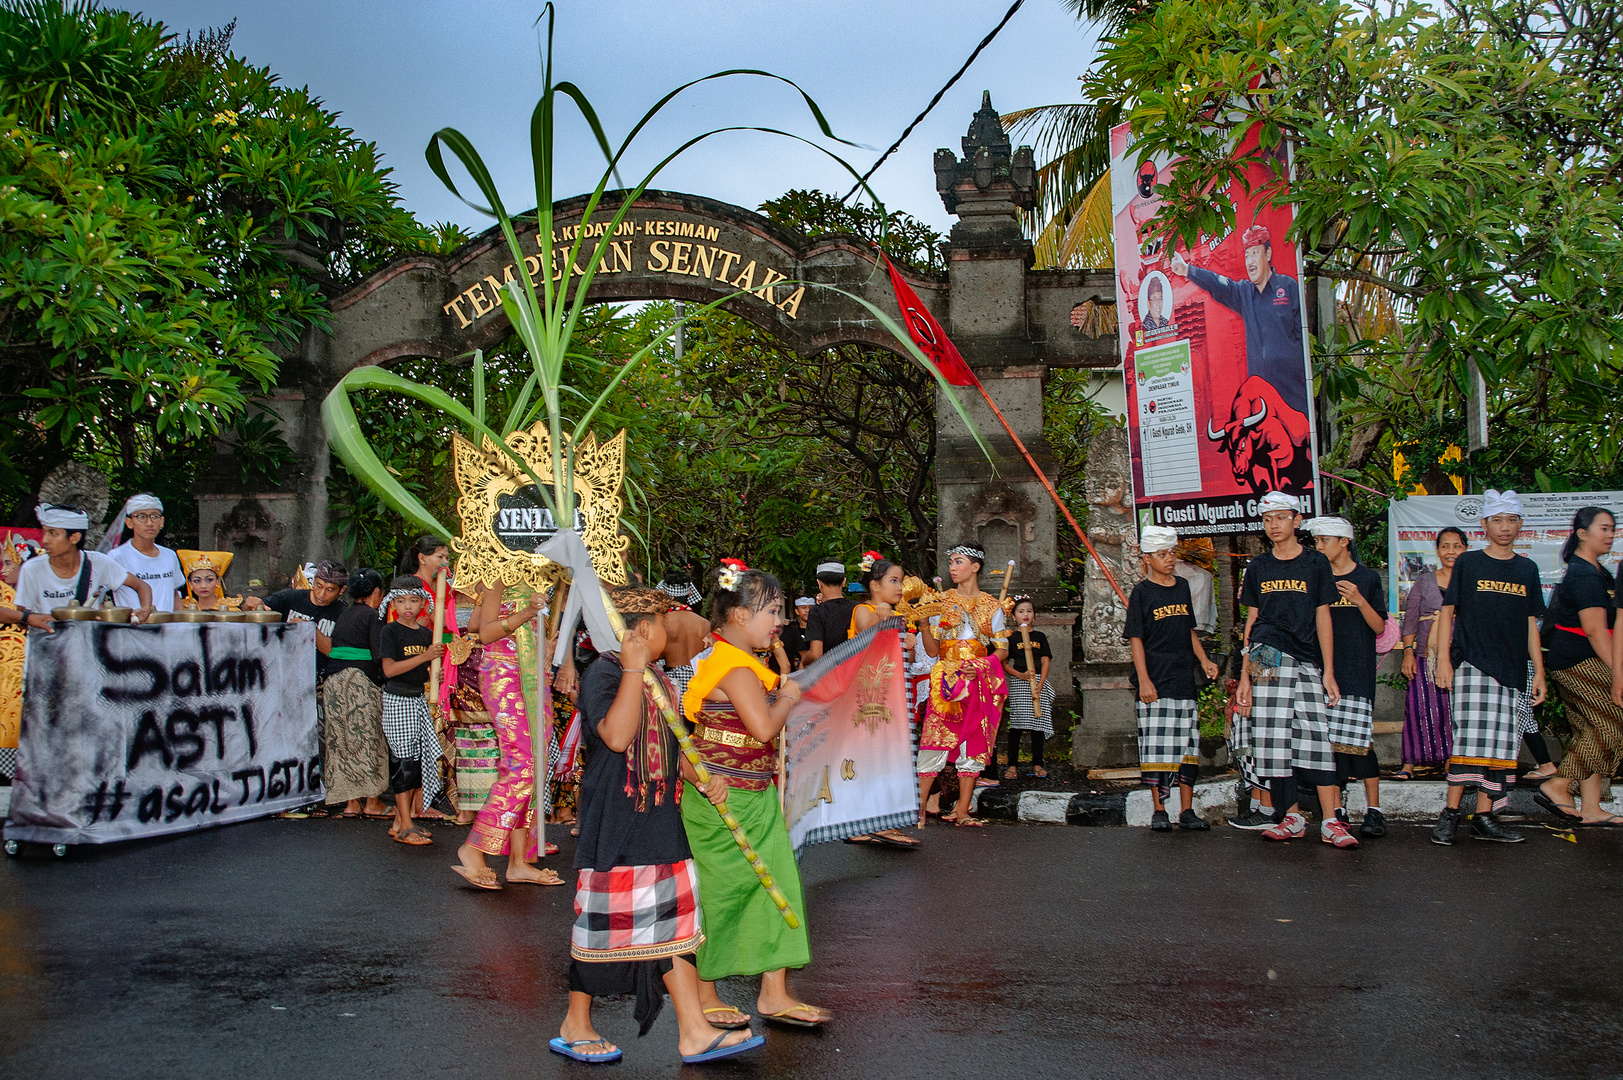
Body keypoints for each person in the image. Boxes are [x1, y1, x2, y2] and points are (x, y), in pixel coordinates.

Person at [553, 584, 763, 1066]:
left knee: (672, 922)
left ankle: (693, 1030)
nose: (671, 631)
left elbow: (672, 745)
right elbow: (619, 734)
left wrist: (704, 778)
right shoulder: (605, 673)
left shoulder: (660, 677)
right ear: (642, 630)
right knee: (603, 924)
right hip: (618, 821)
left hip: (661, 816)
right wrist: (630, 669)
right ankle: (575, 1022)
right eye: (663, 622)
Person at [680, 563, 828, 1030]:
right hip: (721, 800)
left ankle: (774, 993)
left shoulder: (738, 661)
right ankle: (705, 994)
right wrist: (790, 694)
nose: (780, 620)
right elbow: (764, 728)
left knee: (776, 886)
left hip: (754, 794)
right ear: (740, 617)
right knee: (722, 894)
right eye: (773, 610)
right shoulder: (734, 666)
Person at [1231, 491, 1353, 847]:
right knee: (1272, 740)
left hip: (1306, 658)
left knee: (1315, 736)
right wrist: (1244, 677)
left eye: (1281, 518)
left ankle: (1332, 821)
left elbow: (1323, 615)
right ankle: (1292, 817)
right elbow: (1251, 622)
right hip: (1266, 654)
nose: (1274, 525)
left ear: (1297, 521)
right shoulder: (1258, 567)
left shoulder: (1315, 563)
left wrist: (1328, 670)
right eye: (1268, 519)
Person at [1431, 490, 1545, 845]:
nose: (1505, 527)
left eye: (1511, 520)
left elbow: (1530, 623)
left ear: (1520, 525)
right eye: (1497, 520)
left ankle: (1483, 816)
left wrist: (1538, 671)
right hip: (1472, 664)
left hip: (1512, 668)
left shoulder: (1527, 568)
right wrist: (1444, 660)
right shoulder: (1469, 563)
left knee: (1500, 746)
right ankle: (1450, 814)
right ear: (1484, 525)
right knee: (1468, 740)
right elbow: (1448, 612)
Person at [454, 578, 564, 887]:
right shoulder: (501, 573)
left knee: (536, 764)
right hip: (505, 671)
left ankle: (519, 861)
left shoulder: (542, 573)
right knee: (523, 766)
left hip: (533, 669)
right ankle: (472, 847)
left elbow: (475, 621)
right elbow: (486, 633)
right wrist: (526, 613)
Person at [1126, 526, 1219, 831]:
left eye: (1172, 553)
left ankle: (1187, 810)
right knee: (1156, 745)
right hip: (1155, 676)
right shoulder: (1141, 593)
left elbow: (1187, 628)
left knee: (1186, 743)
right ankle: (1159, 809)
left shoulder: (1181, 587)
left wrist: (1204, 659)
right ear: (1148, 558)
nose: (1169, 559)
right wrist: (1144, 681)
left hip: (1182, 676)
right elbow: (1136, 638)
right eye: (1162, 554)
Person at [1536, 508, 1623, 825]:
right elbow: (1595, 630)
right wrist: (1618, 673)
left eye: (1613, 529)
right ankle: (1558, 784)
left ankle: (1589, 808)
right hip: (1579, 660)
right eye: (1604, 528)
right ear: (1582, 533)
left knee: (1590, 729)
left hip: (1580, 658)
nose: (1610, 534)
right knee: (1612, 725)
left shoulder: (1598, 572)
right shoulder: (1584, 575)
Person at [1169, 223, 1308, 416]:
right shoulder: (1244, 293)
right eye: (1247, 254)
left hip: (1293, 391)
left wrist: (1293, 363)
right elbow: (1218, 284)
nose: (1250, 260)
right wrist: (1187, 270)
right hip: (1263, 397)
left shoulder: (1288, 286)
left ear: (1267, 254)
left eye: (1255, 253)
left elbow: (1303, 333)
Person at [1308, 516, 1389, 839]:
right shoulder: (1316, 577)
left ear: (1343, 542)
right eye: (1316, 541)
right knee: (1330, 746)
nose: (1318, 546)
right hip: (1323, 671)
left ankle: (1374, 809)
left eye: (1324, 540)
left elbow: (1380, 627)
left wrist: (1358, 599)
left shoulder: (1367, 578)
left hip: (1356, 670)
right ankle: (1337, 809)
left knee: (1360, 744)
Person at [917, 544, 1010, 827]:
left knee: (974, 741)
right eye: (951, 562)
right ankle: (918, 810)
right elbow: (933, 651)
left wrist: (981, 666)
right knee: (935, 741)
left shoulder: (992, 605)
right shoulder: (940, 601)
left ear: (975, 566)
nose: (952, 567)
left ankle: (962, 811)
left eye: (959, 562)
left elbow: (1002, 650)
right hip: (946, 680)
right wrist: (923, 624)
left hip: (978, 680)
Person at [843, 554, 921, 850]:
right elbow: (866, 631)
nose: (900, 586)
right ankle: (856, 823)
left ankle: (884, 823)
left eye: (900, 580)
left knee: (888, 759)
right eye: (893, 580)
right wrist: (883, 614)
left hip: (889, 693)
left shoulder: (897, 615)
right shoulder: (864, 609)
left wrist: (910, 642)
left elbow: (906, 657)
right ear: (874, 585)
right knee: (867, 759)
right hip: (866, 694)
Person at [378, 576, 446, 846]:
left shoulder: (426, 634)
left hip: (418, 699)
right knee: (403, 764)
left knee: (416, 763)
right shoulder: (390, 632)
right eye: (401, 600)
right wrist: (425, 657)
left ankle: (401, 821)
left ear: (423, 603)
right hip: (397, 700)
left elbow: (430, 669)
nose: (408, 606)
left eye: (414, 600)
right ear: (392, 603)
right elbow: (389, 670)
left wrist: (435, 669)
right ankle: (405, 824)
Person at [321, 568, 391, 819]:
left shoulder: (344, 614)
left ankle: (351, 803)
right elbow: (378, 655)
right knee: (368, 739)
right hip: (360, 682)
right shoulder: (373, 617)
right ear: (375, 593)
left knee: (340, 740)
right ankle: (372, 801)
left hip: (334, 682)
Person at [1398, 528, 1468, 779]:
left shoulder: (1470, 580)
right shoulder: (1424, 581)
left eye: (1457, 546)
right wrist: (1407, 653)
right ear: (1437, 551)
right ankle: (1409, 763)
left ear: (1466, 549)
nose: (1451, 551)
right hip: (1425, 656)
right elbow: (1411, 620)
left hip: (1460, 657)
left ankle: (1452, 760)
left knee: (1453, 710)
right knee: (1417, 708)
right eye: (1445, 546)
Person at [15, 503, 153, 622]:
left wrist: (145, 608)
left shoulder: (98, 562)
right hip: (46, 646)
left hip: (87, 646)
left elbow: (141, 586)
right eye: (44, 532)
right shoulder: (32, 569)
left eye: (53, 533)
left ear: (74, 537)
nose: (45, 540)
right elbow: (22, 615)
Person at [1003, 595, 1055, 781]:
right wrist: (1020, 675)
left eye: (1029, 611)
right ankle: (1012, 764)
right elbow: (1005, 662)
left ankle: (1038, 763)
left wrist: (1040, 684)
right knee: (1016, 725)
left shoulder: (1040, 636)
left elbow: (1045, 660)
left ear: (1034, 615)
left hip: (1038, 681)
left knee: (1037, 725)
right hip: (1020, 682)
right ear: (1014, 616)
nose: (1025, 614)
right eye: (1021, 611)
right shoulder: (1011, 636)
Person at [264, 560, 347, 675]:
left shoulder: (343, 614)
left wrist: (309, 628)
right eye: (318, 586)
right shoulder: (290, 597)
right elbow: (261, 610)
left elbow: (334, 652)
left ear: (341, 590)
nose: (321, 594)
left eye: (329, 590)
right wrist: (252, 604)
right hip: (281, 672)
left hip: (318, 678)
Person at [106, 495, 185, 612]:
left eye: (155, 516)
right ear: (129, 522)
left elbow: (174, 595)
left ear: (161, 521)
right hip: (133, 627)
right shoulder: (117, 557)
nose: (149, 523)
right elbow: (98, 594)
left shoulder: (170, 556)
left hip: (167, 627)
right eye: (141, 517)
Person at [804, 560, 855, 662]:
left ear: (819, 583)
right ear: (844, 582)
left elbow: (815, 654)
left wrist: (804, 661)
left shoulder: (817, 612)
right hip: (857, 672)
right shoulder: (858, 608)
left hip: (829, 674)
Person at [177, 550, 256, 611]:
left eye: (209, 580)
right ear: (190, 583)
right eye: (197, 581)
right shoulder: (184, 610)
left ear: (218, 581)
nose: (203, 586)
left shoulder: (230, 610)